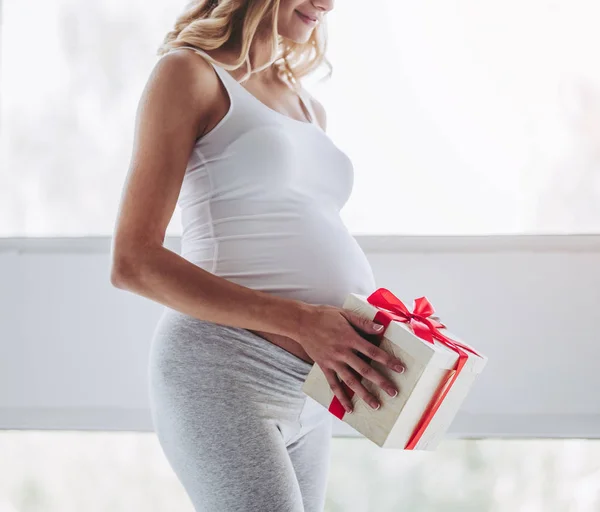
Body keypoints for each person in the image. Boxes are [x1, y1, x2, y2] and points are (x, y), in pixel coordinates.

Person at [109, 0, 406, 510]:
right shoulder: (189, 73)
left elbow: (296, 230)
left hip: (313, 387)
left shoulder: (308, 106)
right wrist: (304, 321)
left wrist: (389, 326)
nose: (327, 4)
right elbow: (133, 261)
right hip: (224, 369)